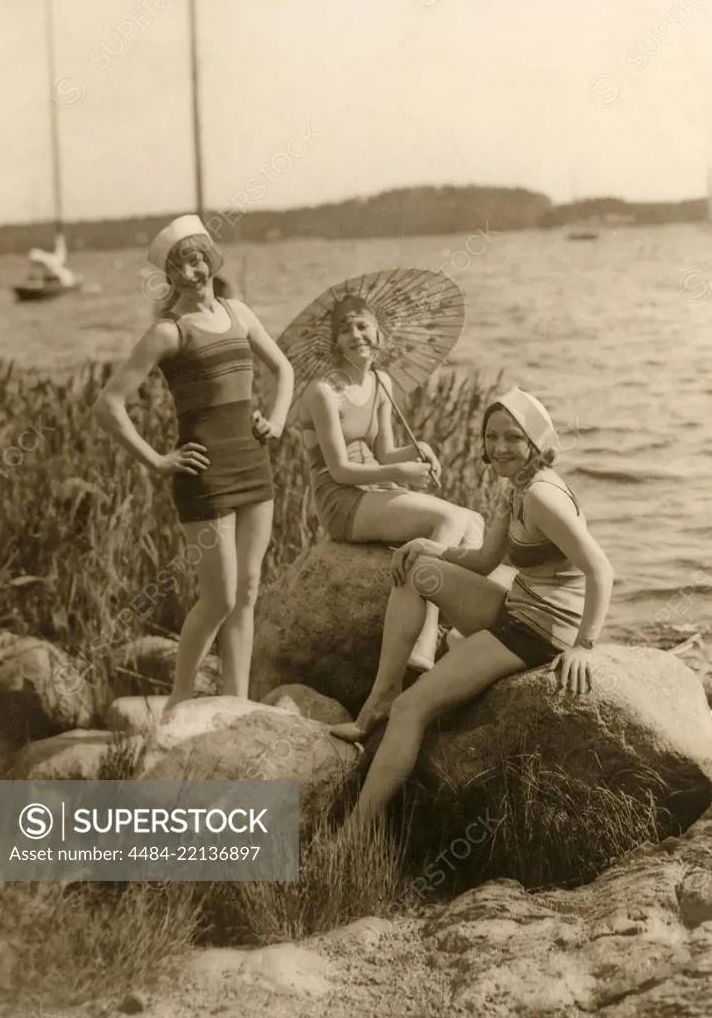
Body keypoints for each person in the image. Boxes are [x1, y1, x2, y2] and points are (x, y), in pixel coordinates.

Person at [331, 386, 614, 828]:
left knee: (413, 709)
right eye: (491, 436)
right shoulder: (514, 488)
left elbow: (601, 570)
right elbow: (485, 560)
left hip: (539, 629)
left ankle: (353, 835)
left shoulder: (542, 496)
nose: (499, 447)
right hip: (519, 604)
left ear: (535, 442)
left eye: (513, 438)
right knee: (415, 568)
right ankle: (380, 698)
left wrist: (585, 646)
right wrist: (430, 547)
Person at [92, 215, 294, 716]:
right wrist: (159, 460)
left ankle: (237, 703)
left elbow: (285, 369)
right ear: (170, 274)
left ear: (212, 260)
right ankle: (179, 704)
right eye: (182, 262)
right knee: (220, 597)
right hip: (202, 476)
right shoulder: (167, 332)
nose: (194, 268)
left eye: (200, 256)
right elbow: (108, 405)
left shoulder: (240, 313)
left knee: (248, 592)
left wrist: (277, 420)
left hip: (254, 465)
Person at [297, 293, 485, 671]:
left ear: (379, 334)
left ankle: (467, 628)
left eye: (362, 326)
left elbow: (384, 452)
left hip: (375, 490)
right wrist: (401, 474)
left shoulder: (381, 382)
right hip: (340, 499)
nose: (355, 334)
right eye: (345, 329)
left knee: (474, 521)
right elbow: (339, 471)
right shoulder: (324, 392)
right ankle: (424, 641)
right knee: (446, 521)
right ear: (335, 342)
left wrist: (421, 451)